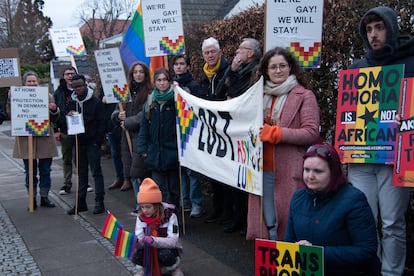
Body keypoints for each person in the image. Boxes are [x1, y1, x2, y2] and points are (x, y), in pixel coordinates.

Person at [347, 6, 414, 276]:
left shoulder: (411, 63)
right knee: (364, 220)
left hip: (395, 159)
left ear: (391, 27)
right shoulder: (358, 67)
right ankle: (370, 269)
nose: (373, 34)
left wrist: (407, 118)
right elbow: (349, 113)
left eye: (379, 27)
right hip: (361, 158)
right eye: (369, 29)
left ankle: (392, 272)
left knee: (393, 223)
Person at [246, 47, 321, 240]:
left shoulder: (305, 96)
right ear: (266, 70)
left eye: (282, 66)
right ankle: (270, 261)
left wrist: (277, 134)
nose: (278, 71)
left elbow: (311, 132)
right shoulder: (256, 95)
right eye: (273, 67)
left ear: (290, 68)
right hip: (260, 168)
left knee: (286, 221)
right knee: (267, 219)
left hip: (288, 168)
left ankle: (284, 263)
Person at [285, 144, 380, 275]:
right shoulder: (297, 197)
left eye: (318, 171)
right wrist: (296, 248)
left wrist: (317, 253)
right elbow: (288, 242)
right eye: (306, 170)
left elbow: (366, 250)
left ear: (333, 172)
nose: (310, 176)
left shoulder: (354, 200)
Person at [216, 38, 262, 234]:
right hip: (233, 131)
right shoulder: (235, 70)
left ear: (251, 53)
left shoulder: (256, 71)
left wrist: (232, 89)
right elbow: (219, 93)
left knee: (245, 179)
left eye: (240, 49)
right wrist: (231, 71)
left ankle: (245, 221)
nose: (236, 52)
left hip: (247, 132)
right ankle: (236, 218)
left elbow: (239, 94)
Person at [195, 37, 232, 225]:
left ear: (219, 53)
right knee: (213, 173)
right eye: (206, 53)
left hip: (226, 131)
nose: (209, 55)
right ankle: (217, 209)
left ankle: (229, 213)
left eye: (212, 52)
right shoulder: (203, 75)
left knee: (226, 175)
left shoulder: (227, 71)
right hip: (210, 131)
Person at [11, 71, 59, 210]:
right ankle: (32, 199)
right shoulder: (17, 96)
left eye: (34, 81)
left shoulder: (47, 96)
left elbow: (55, 118)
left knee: (45, 170)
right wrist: (10, 101)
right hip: (26, 140)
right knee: (29, 172)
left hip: (45, 140)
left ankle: (44, 197)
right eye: (29, 81)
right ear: (24, 83)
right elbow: (11, 115)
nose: (32, 84)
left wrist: (54, 110)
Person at [111, 61, 152, 215]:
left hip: (141, 138)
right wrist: (118, 116)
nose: (138, 75)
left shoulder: (150, 92)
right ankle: (140, 204)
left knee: (139, 173)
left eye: (141, 72)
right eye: (135, 72)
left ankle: (144, 205)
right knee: (131, 172)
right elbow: (116, 112)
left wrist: (127, 121)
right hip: (126, 137)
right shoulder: (125, 92)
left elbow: (145, 115)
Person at [138, 68, 180, 208]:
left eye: (165, 80)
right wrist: (143, 149)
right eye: (159, 80)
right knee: (160, 188)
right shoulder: (150, 102)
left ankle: (174, 216)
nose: (162, 83)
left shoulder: (176, 99)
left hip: (172, 152)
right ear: (155, 82)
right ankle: (163, 217)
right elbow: (144, 127)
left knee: (174, 188)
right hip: (155, 153)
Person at [66, 74, 105, 215]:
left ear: (85, 85)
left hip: (92, 142)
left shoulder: (95, 102)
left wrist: (97, 141)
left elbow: (102, 123)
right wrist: (68, 116)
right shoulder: (71, 103)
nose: (78, 89)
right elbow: (65, 123)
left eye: (80, 86)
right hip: (78, 142)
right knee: (81, 174)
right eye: (75, 87)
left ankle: (99, 201)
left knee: (96, 172)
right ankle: (81, 202)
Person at [171, 54, 203, 218]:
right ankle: (185, 202)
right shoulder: (170, 86)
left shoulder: (193, 85)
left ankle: (196, 202)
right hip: (176, 132)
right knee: (181, 170)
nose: (179, 67)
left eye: (182, 64)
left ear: (188, 66)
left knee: (192, 171)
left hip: (191, 131)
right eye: (176, 64)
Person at [132, 177, 183, 276]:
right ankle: (144, 268)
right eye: (142, 207)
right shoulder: (141, 217)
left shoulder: (170, 215)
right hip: (148, 247)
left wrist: (154, 241)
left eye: (148, 207)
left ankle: (173, 268)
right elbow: (139, 236)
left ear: (157, 205)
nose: (145, 210)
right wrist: (137, 242)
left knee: (165, 255)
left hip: (166, 248)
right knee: (136, 255)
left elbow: (173, 241)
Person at [53, 66, 77, 195]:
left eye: (72, 74)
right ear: (63, 76)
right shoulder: (59, 92)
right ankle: (67, 183)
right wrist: (55, 129)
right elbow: (54, 112)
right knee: (66, 158)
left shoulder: (81, 89)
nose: (70, 76)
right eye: (67, 74)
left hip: (79, 129)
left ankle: (84, 181)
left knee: (80, 158)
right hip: (64, 129)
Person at [100, 88, 124, 193]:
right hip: (110, 126)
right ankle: (120, 177)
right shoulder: (102, 89)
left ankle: (128, 178)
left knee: (126, 154)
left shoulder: (123, 86)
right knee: (115, 154)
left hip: (123, 126)